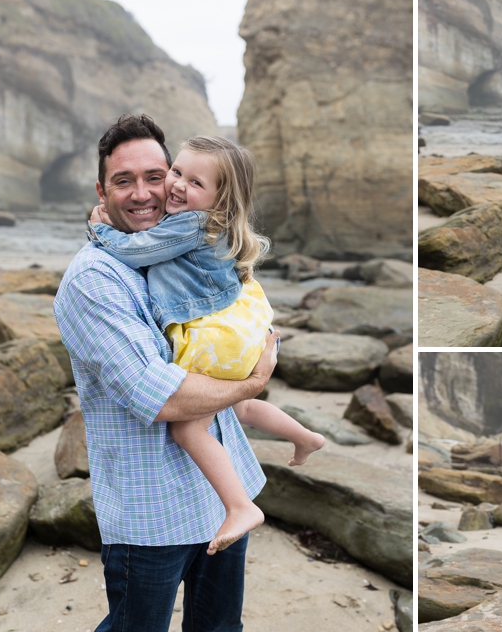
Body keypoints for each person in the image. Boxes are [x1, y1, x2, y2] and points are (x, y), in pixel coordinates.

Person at [55, 114, 276, 632]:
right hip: (150, 511)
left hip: (221, 493)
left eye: (158, 176)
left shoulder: (173, 248)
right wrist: (252, 383)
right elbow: (163, 397)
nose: (147, 193)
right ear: (101, 192)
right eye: (124, 181)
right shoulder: (93, 280)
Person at [88, 135, 325, 556]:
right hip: (235, 331)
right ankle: (303, 435)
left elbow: (138, 250)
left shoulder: (191, 224)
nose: (178, 185)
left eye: (195, 182)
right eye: (177, 172)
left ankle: (240, 506)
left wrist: (100, 228)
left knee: (186, 426)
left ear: (220, 199)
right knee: (240, 405)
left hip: (212, 336)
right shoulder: (209, 224)